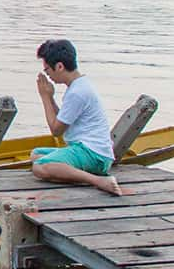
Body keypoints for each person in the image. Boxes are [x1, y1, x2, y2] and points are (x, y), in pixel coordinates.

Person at [31, 40, 121, 195]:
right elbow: (62, 120)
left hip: (93, 154)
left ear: (59, 66)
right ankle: (69, 173)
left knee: (39, 167)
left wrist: (45, 97)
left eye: (48, 71)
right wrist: (51, 97)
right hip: (90, 150)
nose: (48, 76)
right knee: (36, 154)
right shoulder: (79, 85)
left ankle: (98, 180)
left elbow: (56, 130)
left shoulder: (77, 93)